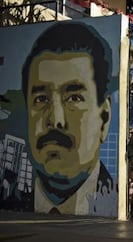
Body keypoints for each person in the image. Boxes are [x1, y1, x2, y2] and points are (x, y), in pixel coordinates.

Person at [21, 21, 115, 215]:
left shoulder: (112, 199)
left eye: (74, 98)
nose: (55, 120)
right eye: (41, 99)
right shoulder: (13, 197)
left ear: (104, 118)